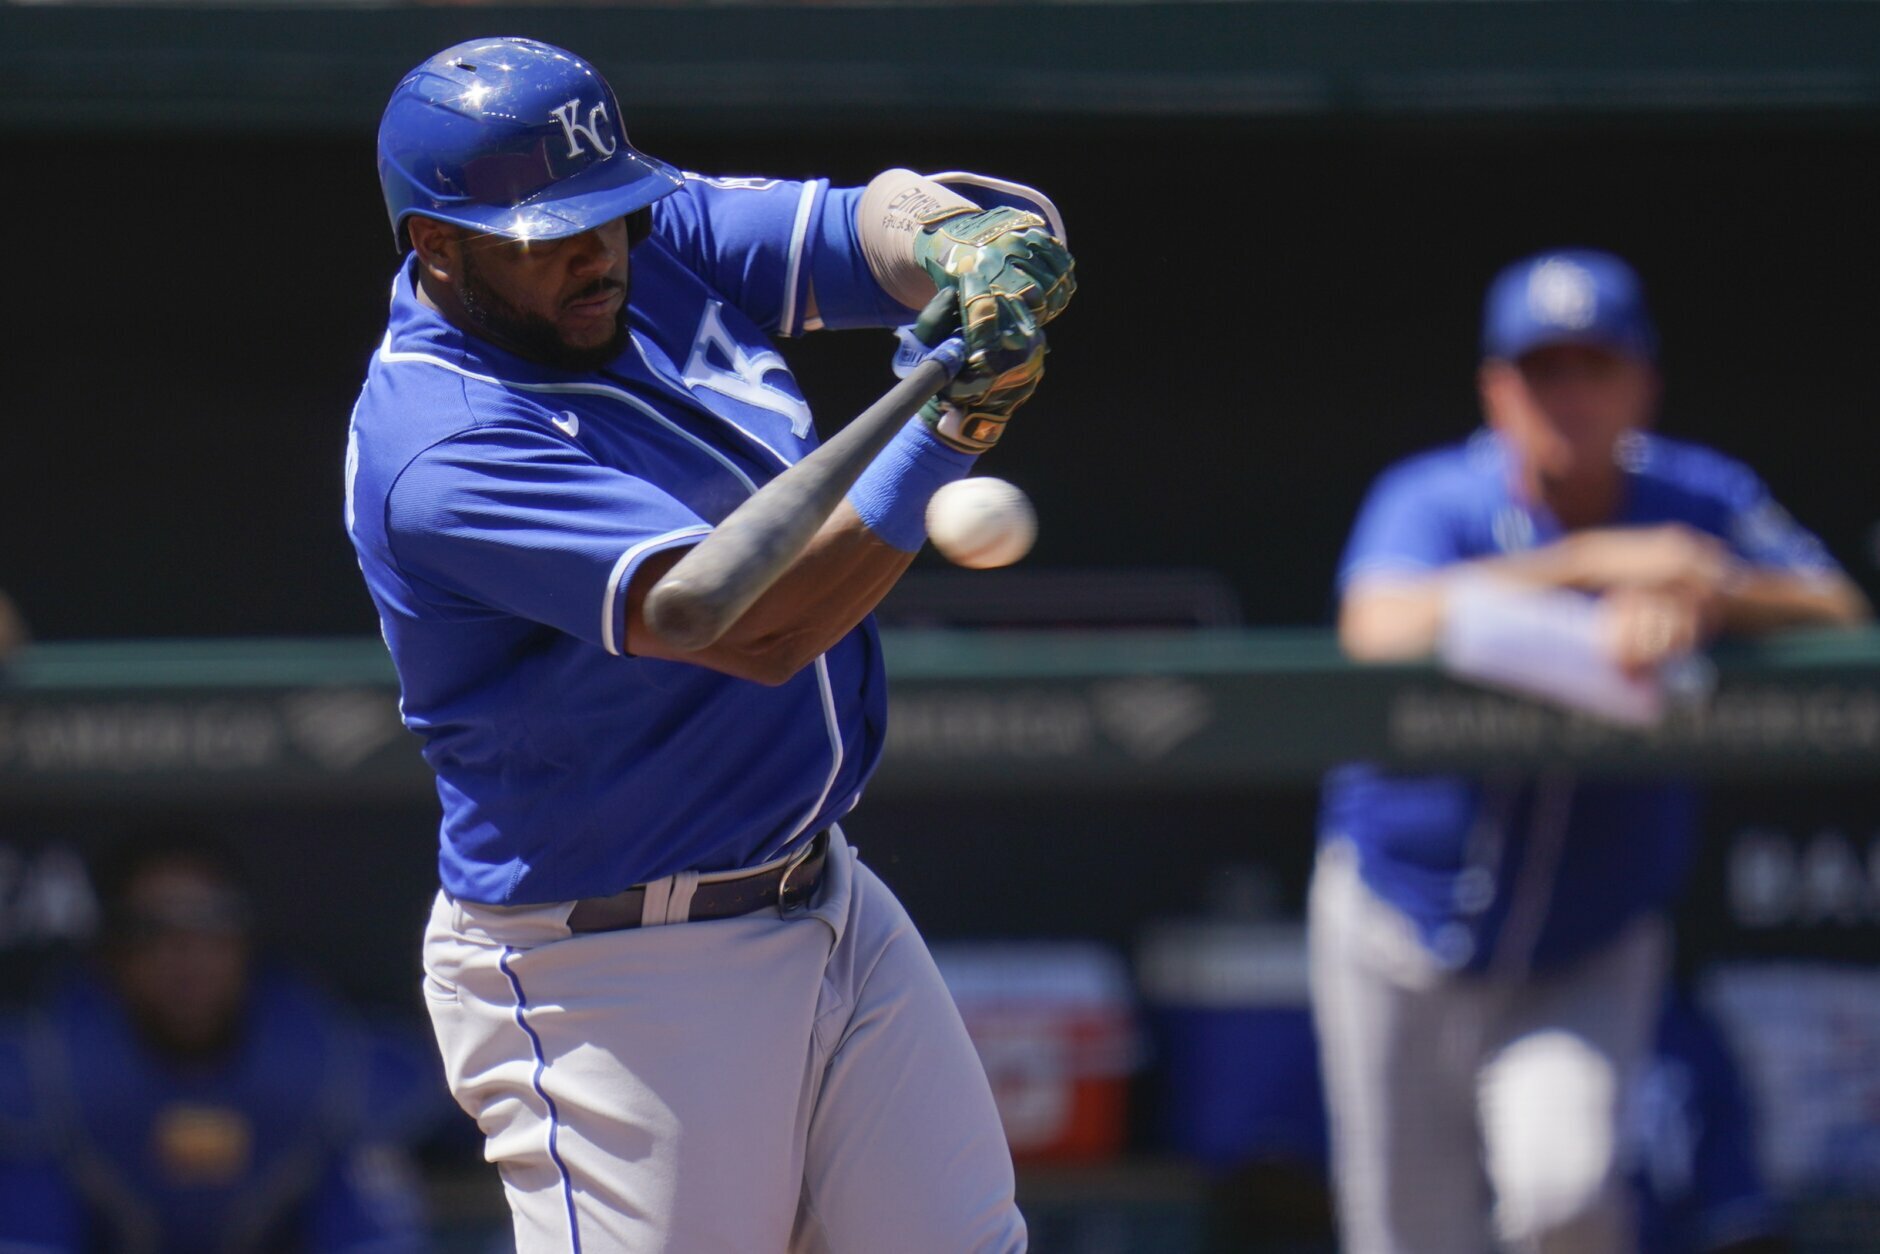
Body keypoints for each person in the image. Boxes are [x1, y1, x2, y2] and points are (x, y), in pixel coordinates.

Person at [345, 37, 1073, 1251]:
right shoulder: (442, 446)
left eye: (609, 217)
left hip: (821, 890)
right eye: (546, 237)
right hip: (613, 976)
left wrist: (962, 245)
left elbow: (865, 229)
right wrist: (951, 425)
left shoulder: (626, 232)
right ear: (437, 246)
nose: (593, 255)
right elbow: (744, 622)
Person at [1311, 248, 1869, 1254]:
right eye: (1542, 370)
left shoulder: (1696, 500)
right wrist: (1582, 566)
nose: (1568, 395)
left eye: (1593, 366)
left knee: (1562, 1201)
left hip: (1583, 941)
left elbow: (1834, 606)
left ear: (1640, 382)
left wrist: (1708, 594)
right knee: (1405, 1237)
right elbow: (1375, 625)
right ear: (1495, 389)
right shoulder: (1436, 496)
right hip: (1396, 923)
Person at [0, 833, 437, 1252]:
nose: (188, 955)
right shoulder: (46, 1067)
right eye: (153, 930)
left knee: (364, 1162)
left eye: (213, 924)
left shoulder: (327, 1064)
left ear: (247, 942)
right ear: (110, 954)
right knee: (28, 1166)